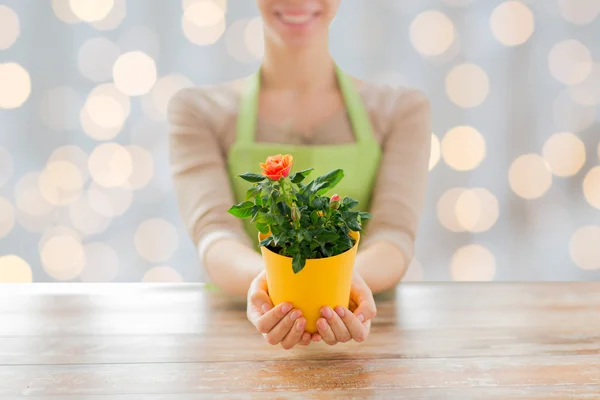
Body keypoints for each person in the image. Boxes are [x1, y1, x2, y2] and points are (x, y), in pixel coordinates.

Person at [168, 0, 431, 349]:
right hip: (237, 336)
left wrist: (337, 286)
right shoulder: (198, 110)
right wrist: (277, 288)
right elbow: (214, 236)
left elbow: (394, 236)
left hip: (367, 332)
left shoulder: (400, 109)